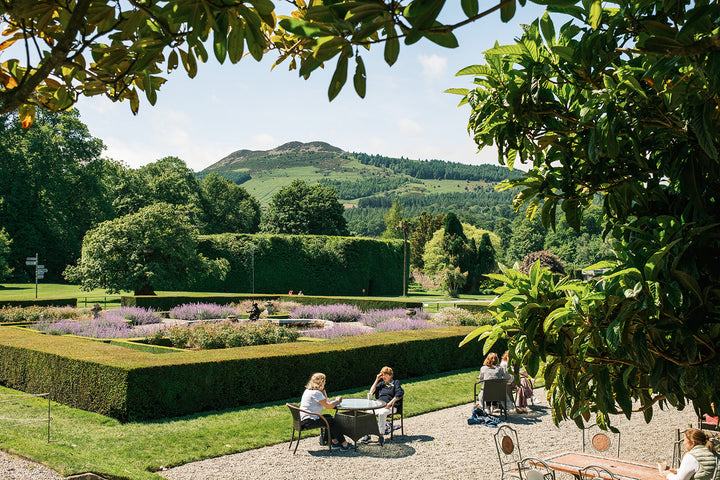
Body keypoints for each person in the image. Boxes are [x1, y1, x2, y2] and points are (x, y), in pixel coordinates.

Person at [299, 373, 351, 451]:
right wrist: (338, 401)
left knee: (328, 417)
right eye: (324, 381)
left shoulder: (309, 390)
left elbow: (325, 400)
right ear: (321, 381)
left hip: (305, 419)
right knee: (331, 421)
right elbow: (329, 406)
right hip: (309, 421)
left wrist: (323, 390)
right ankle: (344, 445)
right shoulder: (316, 393)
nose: (325, 382)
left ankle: (335, 442)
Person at [360, 366, 404, 442]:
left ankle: (381, 436)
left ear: (390, 375)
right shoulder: (381, 384)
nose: (384, 376)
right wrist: (377, 380)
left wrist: (389, 404)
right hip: (379, 406)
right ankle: (367, 435)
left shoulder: (395, 382)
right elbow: (371, 392)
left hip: (390, 406)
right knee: (367, 412)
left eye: (386, 374)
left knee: (382, 413)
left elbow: (399, 393)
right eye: (382, 375)